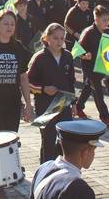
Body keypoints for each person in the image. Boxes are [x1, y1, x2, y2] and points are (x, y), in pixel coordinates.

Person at [27, 23, 75, 163]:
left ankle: (61, 168)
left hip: (64, 104)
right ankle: (46, 169)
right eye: (55, 38)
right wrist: (43, 89)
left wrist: (74, 103)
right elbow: (28, 83)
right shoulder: (39, 57)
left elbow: (71, 82)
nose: (59, 41)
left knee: (66, 140)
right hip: (45, 106)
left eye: (62, 38)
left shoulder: (68, 56)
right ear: (46, 38)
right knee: (48, 140)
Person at [29, 119, 107, 199]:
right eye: (93, 150)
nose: (94, 154)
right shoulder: (79, 190)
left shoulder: (43, 167)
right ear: (85, 153)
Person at [74, 6, 109, 125]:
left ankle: (78, 107)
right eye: (104, 20)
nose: (106, 23)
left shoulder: (107, 32)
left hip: (100, 66)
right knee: (98, 91)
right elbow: (77, 49)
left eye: (108, 20)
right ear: (96, 18)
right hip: (89, 68)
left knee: (88, 87)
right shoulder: (88, 32)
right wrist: (85, 55)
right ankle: (104, 116)